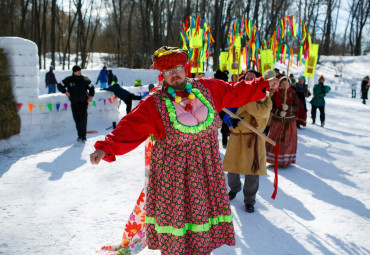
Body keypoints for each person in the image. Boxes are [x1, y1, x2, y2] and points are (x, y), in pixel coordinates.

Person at [90, 46, 279, 254]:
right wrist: (104, 148)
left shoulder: (207, 88)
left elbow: (235, 91)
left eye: (178, 68)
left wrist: (262, 84)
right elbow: (130, 127)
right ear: (162, 75)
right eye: (168, 71)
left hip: (206, 173)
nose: (174, 74)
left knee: (201, 227)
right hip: (173, 178)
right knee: (176, 230)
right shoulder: (154, 103)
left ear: (185, 68)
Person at [223, 70, 272, 213]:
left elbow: (261, 113)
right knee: (231, 169)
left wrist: (245, 99)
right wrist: (229, 119)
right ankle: (234, 189)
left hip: (253, 139)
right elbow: (227, 110)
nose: (249, 80)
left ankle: (249, 200)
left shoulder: (265, 97)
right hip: (236, 138)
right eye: (246, 78)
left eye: (252, 78)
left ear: (258, 81)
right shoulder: (236, 94)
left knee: (252, 173)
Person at [266, 77, 299, 168]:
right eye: (283, 84)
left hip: (289, 122)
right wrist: (278, 112)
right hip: (277, 120)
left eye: (287, 84)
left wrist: (288, 108)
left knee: (287, 142)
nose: (285, 86)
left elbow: (297, 107)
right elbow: (271, 107)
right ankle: (273, 159)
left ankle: (285, 161)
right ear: (280, 84)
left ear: (290, 85)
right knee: (274, 139)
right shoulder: (275, 93)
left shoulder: (293, 93)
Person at [57, 65, 95, 142]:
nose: (79, 72)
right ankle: (80, 136)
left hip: (83, 102)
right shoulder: (68, 80)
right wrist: (65, 92)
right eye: (78, 71)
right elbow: (59, 85)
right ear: (74, 72)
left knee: (83, 119)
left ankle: (83, 136)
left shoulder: (85, 79)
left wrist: (91, 96)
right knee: (77, 119)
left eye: (80, 71)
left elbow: (92, 87)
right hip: (74, 102)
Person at [214, 69, 230, 148]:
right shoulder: (215, 84)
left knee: (224, 125)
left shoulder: (225, 85)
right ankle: (218, 142)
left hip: (225, 106)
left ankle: (224, 142)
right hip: (216, 106)